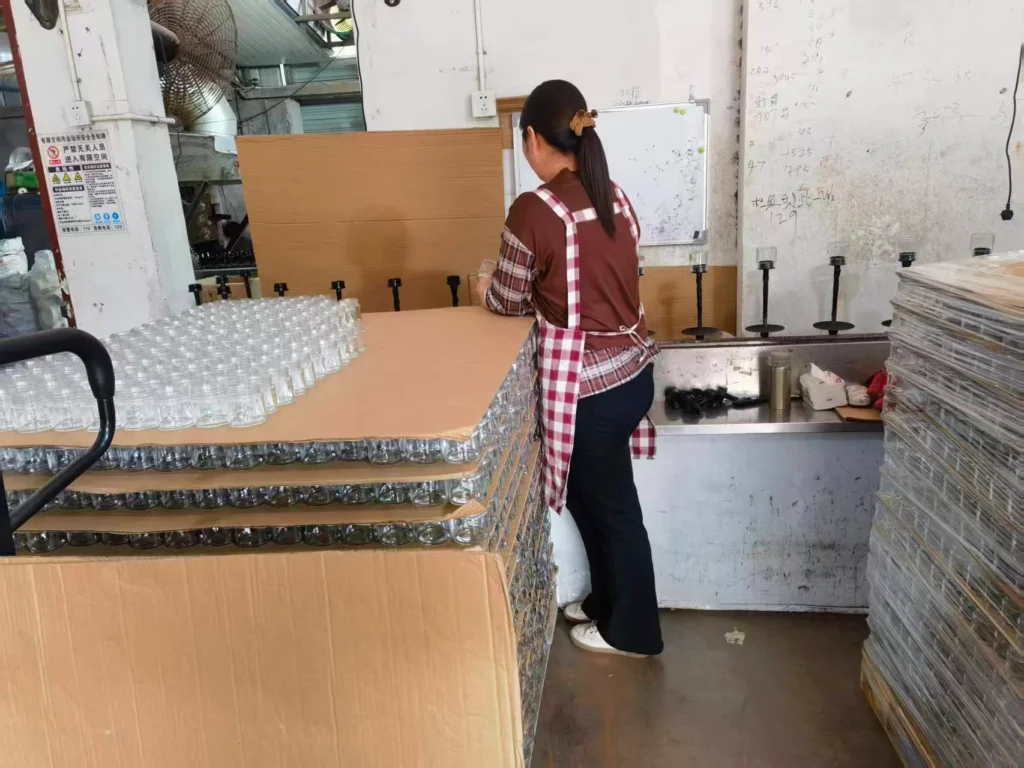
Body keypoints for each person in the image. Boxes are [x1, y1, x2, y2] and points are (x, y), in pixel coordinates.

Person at [476, 80, 663, 658]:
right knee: (590, 501)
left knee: (613, 511)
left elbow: (507, 300)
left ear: (533, 138)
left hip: (589, 391)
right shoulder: (615, 196)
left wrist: (485, 288)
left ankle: (633, 632)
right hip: (632, 373)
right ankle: (607, 602)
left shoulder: (534, 209)